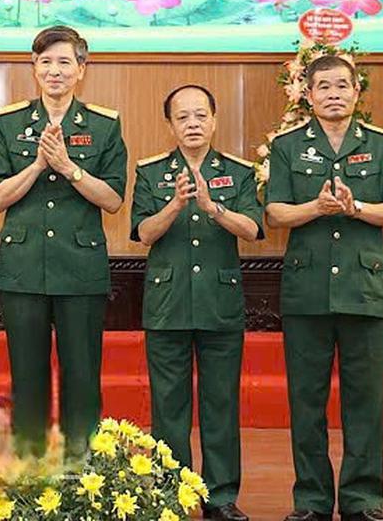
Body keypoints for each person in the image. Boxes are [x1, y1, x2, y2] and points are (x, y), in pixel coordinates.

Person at [265, 56, 383, 521]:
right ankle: (311, 500)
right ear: (308, 95)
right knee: (305, 401)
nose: (334, 94)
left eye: (342, 86)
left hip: (363, 289)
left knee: (364, 401)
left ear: (356, 92)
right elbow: (275, 213)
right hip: (306, 291)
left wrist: (356, 208)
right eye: (324, 86)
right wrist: (316, 206)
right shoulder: (287, 146)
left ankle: (363, 500)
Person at [0, 25, 127, 457]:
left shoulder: (104, 125)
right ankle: (30, 470)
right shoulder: (9, 122)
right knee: (27, 377)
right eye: (45, 62)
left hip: (80, 269)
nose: (54, 71)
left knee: (82, 376)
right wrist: (36, 166)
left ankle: (80, 470)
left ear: (81, 69)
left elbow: (113, 200)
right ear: (35, 68)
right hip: (23, 266)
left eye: (64, 62)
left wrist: (69, 168)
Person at [131, 85, 263, 521]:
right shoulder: (150, 172)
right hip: (167, 302)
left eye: (201, 115)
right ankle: (171, 493)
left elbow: (252, 229)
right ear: (170, 124)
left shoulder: (239, 172)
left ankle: (220, 496)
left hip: (219, 303)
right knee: (168, 405)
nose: (193, 124)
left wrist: (213, 208)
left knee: (220, 403)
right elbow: (144, 233)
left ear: (214, 120)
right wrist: (174, 206)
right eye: (183, 117)